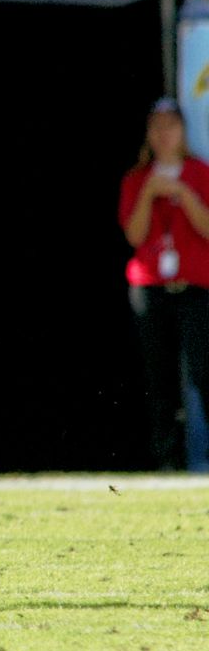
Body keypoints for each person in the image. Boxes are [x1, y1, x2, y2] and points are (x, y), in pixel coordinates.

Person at [119, 97, 209, 470]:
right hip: (151, 287)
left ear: (182, 131)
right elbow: (135, 235)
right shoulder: (137, 179)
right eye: (156, 127)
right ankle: (166, 460)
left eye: (170, 126)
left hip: (194, 287)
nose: (163, 134)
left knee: (204, 369)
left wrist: (185, 197)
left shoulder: (200, 173)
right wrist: (149, 194)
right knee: (158, 375)